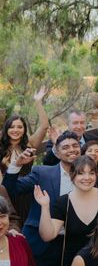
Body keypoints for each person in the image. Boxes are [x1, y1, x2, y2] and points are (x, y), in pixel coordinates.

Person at [2, 131, 82, 266]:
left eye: (74, 145)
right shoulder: (42, 172)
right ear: (56, 150)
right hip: (41, 244)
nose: (71, 150)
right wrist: (16, 166)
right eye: (65, 147)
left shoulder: (89, 175)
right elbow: (13, 189)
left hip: (72, 246)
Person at [0, 89, 50, 220]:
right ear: (6, 129)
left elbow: (44, 126)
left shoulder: (30, 144)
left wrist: (38, 102)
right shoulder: (1, 148)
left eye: (19, 127)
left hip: (25, 192)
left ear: (24, 130)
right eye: (12, 127)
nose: (15, 130)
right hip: (5, 193)